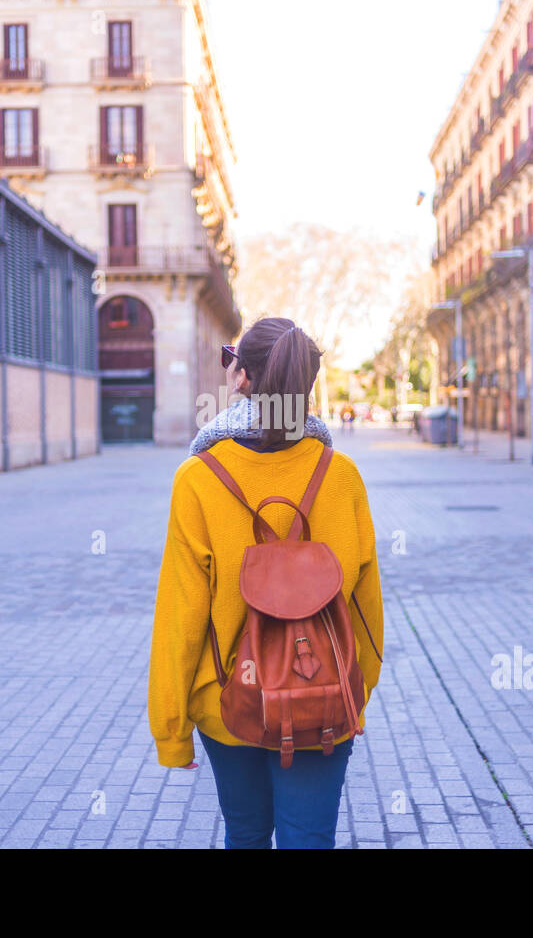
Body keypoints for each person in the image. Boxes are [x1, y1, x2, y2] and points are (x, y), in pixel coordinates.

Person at [148, 317, 384, 849]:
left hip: (229, 703)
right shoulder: (341, 475)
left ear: (240, 379)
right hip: (321, 697)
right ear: (307, 387)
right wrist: (356, 694)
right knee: (308, 838)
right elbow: (367, 603)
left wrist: (171, 730)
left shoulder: (198, 478)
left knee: (247, 835)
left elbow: (180, 613)